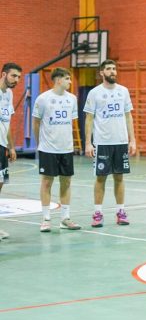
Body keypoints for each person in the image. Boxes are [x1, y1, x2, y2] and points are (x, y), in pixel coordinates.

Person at [84, 59, 136, 227]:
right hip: (102, 142)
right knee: (101, 178)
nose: (113, 71)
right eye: (109, 69)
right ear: (102, 73)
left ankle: (120, 211)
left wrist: (132, 139)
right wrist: (88, 143)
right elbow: (89, 119)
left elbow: (128, 116)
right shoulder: (94, 93)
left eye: (114, 68)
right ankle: (97, 213)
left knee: (119, 177)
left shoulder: (123, 91)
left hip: (120, 141)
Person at [33, 67, 80, 232]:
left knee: (66, 182)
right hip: (48, 148)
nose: (70, 81)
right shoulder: (42, 99)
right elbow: (36, 122)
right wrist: (40, 143)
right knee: (47, 182)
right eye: (67, 78)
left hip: (66, 148)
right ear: (58, 80)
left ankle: (65, 218)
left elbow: (71, 123)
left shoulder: (72, 99)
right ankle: (46, 219)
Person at [0, 62, 21, 241]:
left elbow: (7, 123)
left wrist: (11, 146)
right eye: (14, 76)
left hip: (2, 146)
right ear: (4, 74)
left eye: (19, 77)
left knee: (0, 184)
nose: (17, 80)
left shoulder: (9, 94)